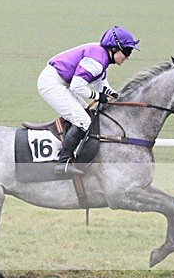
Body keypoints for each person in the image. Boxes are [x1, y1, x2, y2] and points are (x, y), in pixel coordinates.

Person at [37, 25, 140, 176]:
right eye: (126, 52)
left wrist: (115, 95)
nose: (127, 57)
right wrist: (99, 97)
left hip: (62, 82)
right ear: (113, 48)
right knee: (83, 121)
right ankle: (62, 162)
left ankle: (71, 150)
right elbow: (78, 86)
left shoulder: (102, 57)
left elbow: (101, 84)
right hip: (52, 84)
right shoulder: (98, 59)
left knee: (87, 114)